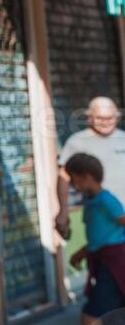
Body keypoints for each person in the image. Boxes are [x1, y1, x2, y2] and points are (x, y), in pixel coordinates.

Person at [48, 153, 125, 325]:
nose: (72, 185)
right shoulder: (92, 202)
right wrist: (81, 253)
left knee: (91, 315)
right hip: (104, 263)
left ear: (87, 177)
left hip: (115, 265)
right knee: (97, 315)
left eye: (74, 180)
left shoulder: (106, 200)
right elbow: (99, 236)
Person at [56, 97, 125, 241]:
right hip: (101, 213)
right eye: (100, 118)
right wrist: (63, 210)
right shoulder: (77, 141)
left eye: (110, 118)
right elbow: (64, 176)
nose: (105, 122)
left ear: (117, 117)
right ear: (89, 118)